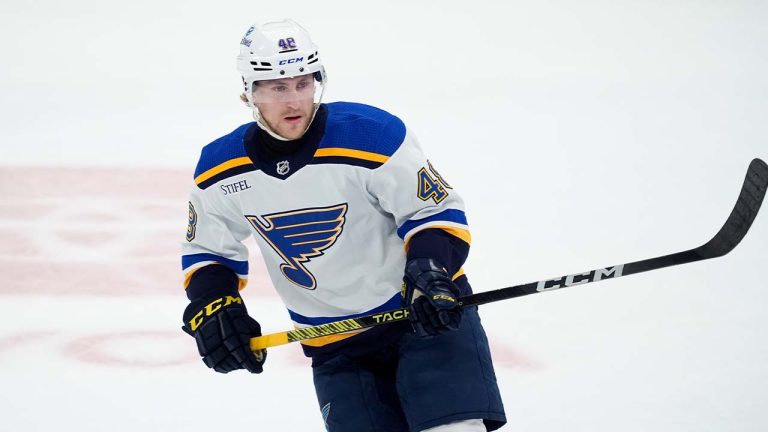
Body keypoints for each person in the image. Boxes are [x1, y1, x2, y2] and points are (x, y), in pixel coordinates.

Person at [181, 19, 507, 432]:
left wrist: (431, 269)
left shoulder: (372, 135)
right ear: (249, 91)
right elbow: (208, 251)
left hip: (425, 318)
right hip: (335, 343)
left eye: (303, 82)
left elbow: (433, 213)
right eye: (278, 87)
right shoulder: (220, 169)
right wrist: (215, 305)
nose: (294, 99)